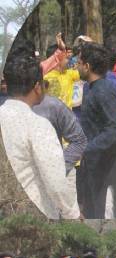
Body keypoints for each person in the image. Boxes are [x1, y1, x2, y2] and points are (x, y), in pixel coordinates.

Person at [0, 56, 81, 218]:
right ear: (37, 87)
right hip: (33, 213)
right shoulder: (38, 125)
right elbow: (55, 183)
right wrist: (72, 213)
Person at [76, 42, 116, 219]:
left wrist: (87, 148)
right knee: (92, 211)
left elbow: (114, 129)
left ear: (87, 67)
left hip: (114, 164)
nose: (77, 65)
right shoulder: (90, 87)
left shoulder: (105, 91)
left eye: (79, 62)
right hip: (96, 160)